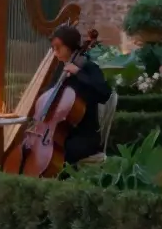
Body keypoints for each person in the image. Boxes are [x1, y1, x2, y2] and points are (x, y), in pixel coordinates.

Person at [25, 24, 112, 172]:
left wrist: (78, 73)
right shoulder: (62, 70)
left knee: (58, 153)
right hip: (61, 133)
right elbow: (50, 95)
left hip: (84, 136)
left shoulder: (88, 68)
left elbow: (104, 93)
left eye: (58, 47)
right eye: (53, 48)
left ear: (70, 46)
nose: (55, 52)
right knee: (29, 148)